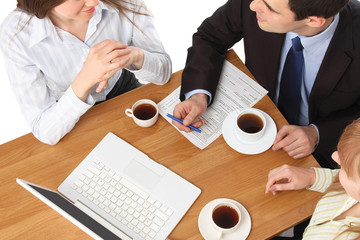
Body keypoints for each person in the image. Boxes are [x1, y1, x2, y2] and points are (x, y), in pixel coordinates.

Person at [171, 0, 360, 169]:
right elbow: (210, 37)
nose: (253, 5)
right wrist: (198, 95)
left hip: (317, 155)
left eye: (269, 8)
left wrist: (317, 134)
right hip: (250, 118)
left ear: (314, 20)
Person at [0, 0, 171, 145]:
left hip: (124, 91)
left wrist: (136, 56)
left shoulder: (125, 3)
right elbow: (45, 130)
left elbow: (164, 74)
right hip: (68, 114)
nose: (94, 2)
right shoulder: (16, 35)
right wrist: (85, 80)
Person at [265, 118, 360, 239]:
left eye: (346, 167)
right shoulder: (353, 188)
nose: (334, 156)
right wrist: (313, 177)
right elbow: (344, 186)